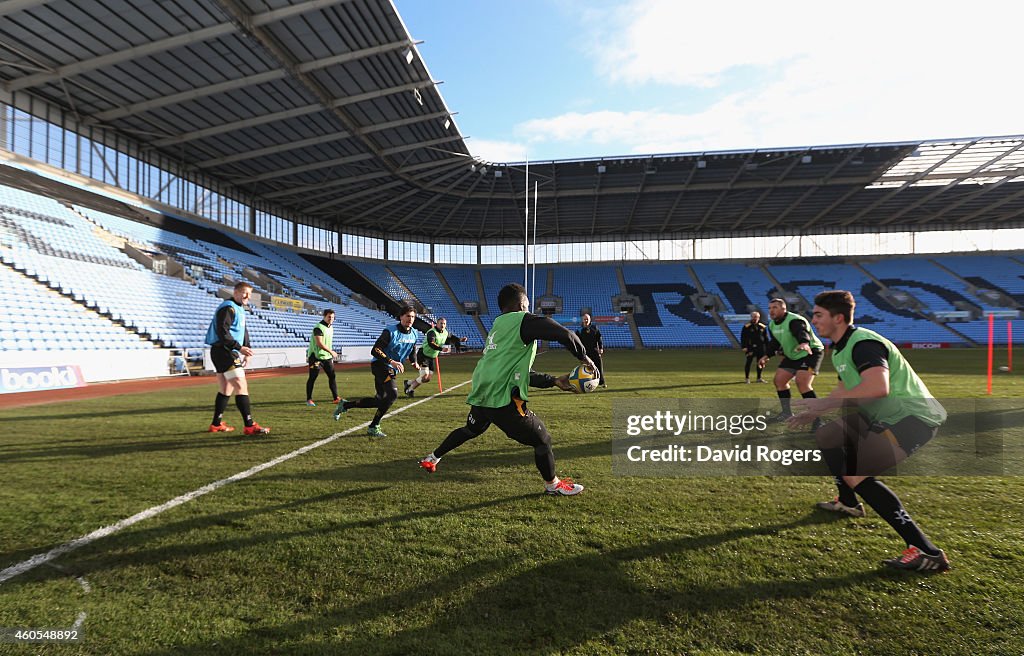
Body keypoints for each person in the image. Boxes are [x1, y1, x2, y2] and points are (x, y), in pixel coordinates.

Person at [788, 290, 949, 572]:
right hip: (881, 412)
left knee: (855, 473)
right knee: (827, 435)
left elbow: (877, 387)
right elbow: (845, 388)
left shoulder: (864, 344)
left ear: (838, 318)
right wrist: (816, 410)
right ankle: (849, 503)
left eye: (818, 315)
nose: (813, 320)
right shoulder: (840, 347)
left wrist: (826, 402)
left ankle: (926, 551)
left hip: (912, 417)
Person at [417, 283, 596, 496]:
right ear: (522, 304)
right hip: (502, 401)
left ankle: (433, 457)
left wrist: (553, 381)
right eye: (528, 305)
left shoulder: (497, 326)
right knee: (542, 440)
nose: (529, 310)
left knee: (471, 430)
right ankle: (553, 485)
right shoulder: (523, 320)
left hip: (482, 394)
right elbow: (565, 335)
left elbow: (514, 372)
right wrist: (585, 357)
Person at [334, 305, 418, 437]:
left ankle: (345, 405)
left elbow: (412, 349)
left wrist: (414, 361)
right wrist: (392, 361)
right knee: (392, 395)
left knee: (380, 401)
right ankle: (374, 426)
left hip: (391, 368)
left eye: (413, 316)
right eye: (408, 316)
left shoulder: (414, 333)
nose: (410, 319)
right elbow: (375, 350)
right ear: (401, 316)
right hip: (380, 365)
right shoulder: (390, 332)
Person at [204, 281, 270, 435]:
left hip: (225, 351)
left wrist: (247, 350)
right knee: (241, 386)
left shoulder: (240, 308)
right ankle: (249, 426)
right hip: (224, 351)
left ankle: (216, 424)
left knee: (226, 389)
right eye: (244, 293)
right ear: (236, 292)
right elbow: (223, 332)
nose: (247, 296)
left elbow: (243, 331)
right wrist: (239, 347)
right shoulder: (228, 307)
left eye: (249, 294)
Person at [758, 298, 824, 422]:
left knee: (802, 383)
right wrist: (766, 355)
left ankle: (817, 419)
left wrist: (804, 343)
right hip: (793, 355)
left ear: (784, 309)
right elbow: (775, 342)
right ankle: (786, 413)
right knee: (779, 381)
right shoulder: (771, 325)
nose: (771, 311)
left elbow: (802, 332)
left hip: (810, 353)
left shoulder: (794, 320)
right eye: (770, 308)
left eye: (775, 308)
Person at [404, 317, 467, 397]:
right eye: (441, 323)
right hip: (423, 355)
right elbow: (431, 343)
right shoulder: (432, 332)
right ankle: (409, 390)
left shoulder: (445, 332)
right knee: (424, 376)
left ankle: (408, 382)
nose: (442, 325)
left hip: (432, 357)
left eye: (444, 324)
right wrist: (441, 349)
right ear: (437, 324)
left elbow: (452, 338)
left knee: (427, 379)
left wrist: (460, 340)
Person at [306, 309, 340, 406]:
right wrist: (331, 351)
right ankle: (309, 399)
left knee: (332, 376)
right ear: (324, 316)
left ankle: (336, 398)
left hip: (327, 357)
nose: (331, 319)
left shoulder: (331, 327)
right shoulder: (318, 327)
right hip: (316, 357)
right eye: (329, 317)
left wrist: (329, 354)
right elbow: (319, 343)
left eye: (333, 317)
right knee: (313, 377)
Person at [576, 313, 606, 388]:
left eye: (587, 319)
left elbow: (599, 338)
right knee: (586, 369)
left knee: (599, 367)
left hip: (594, 351)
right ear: (582, 320)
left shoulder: (595, 328)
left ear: (590, 320)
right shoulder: (579, 330)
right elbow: (577, 342)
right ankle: (586, 383)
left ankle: (601, 382)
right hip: (585, 353)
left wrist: (601, 348)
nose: (586, 320)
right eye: (584, 319)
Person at [740, 310, 770, 383]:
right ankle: (747, 378)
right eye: (754, 317)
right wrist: (744, 347)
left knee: (760, 362)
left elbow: (766, 338)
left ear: (759, 318)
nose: (755, 318)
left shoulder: (762, 327)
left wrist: (768, 348)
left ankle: (759, 378)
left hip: (761, 347)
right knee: (749, 362)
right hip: (750, 347)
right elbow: (743, 337)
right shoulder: (746, 327)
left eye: (756, 317)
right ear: (751, 317)